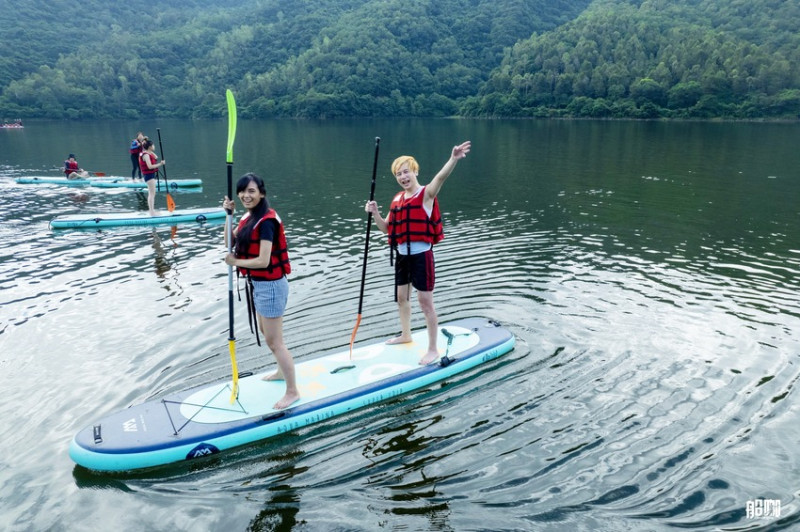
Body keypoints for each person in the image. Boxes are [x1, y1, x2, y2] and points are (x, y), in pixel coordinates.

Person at [365, 141, 471, 365]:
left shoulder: (426, 195)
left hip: (422, 256)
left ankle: (433, 349)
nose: (403, 177)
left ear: (415, 172)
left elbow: (440, 178)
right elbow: (388, 229)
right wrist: (375, 213)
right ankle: (406, 334)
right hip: (402, 255)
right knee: (402, 298)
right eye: (398, 174)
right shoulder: (397, 199)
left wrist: (453, 158)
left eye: (406, 172)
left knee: (425, 302)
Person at [222, 173, 300, 410]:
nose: (246, 195)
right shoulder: (248, 216)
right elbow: (228, 243)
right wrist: (228, 215)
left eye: (252, 191)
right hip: (259, 285)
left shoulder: (266, 221)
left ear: (262, 193)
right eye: (243, 191)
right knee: (269, 337)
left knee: (276, 342)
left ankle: (292, 391)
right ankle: (279, 372)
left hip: (271, 285)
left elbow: (264, 260)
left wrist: (235, 263)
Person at [138, 138, 165, 216]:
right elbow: (149, 166)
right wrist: (160, 164)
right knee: (152, 194)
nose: (154, 146)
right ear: (149, 146)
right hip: (149, 175)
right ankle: (152, 212)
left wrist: (150, 151)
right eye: (153, 145)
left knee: (152, 193)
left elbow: (156, 157)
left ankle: (152, 211)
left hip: (151, 175)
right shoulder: (146, 155)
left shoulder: (148, 153)